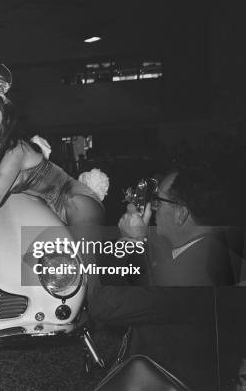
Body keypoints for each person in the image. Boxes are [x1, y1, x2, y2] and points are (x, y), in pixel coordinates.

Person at [88, 165, 237, 390]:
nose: (154, 208)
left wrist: (129, 243)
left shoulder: (190, 277)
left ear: (181, 213)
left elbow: (104, 304)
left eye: (159, 201)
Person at [0, 91, 105, 229]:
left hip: (78, 204)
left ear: (5, 118)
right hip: (53, 210)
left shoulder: (17, 149)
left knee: (83, 262)